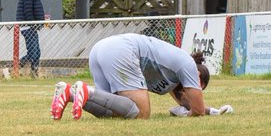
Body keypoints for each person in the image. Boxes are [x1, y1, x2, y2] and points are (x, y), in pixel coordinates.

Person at [50, 33, 225, 120]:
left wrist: (214, 111)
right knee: (141, 113)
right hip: (123, 50)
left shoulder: (174, 76)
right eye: (198, 88)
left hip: (102, 48)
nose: (196, 91)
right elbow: (197, 110)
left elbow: (187, 105)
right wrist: (202, 111)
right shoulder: (187, 64)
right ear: (198, 77)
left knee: (115, 112)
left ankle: (71, 93)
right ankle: (87, 90)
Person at [17, 0, 45, 78]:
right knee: (34, 52)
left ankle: (31, 71)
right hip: (28, 27)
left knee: (35, 52)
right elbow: (28, 11)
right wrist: (34, 25)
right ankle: (18, 67)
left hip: (30, 27)